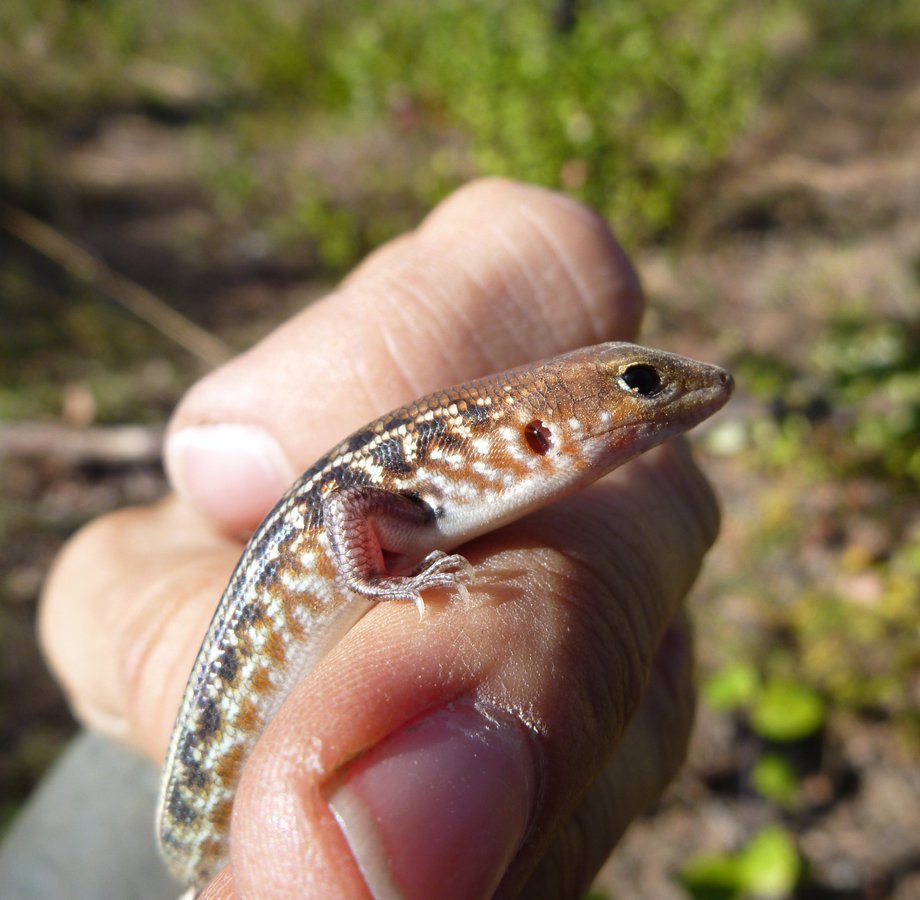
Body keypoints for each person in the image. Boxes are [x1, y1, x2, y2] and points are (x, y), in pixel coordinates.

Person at [33, 179, 721, 898]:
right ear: (539, 427)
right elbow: (347, 503)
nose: (692, 390)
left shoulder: (455, 485)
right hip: (199, 810)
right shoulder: (427, 486)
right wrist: (372, 580)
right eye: (642, 382)